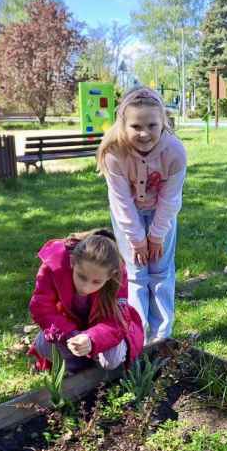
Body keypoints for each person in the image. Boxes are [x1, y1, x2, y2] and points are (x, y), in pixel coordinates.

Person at [96, 87, 187, 343]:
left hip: (162, 212)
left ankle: (161, 336)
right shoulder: (114, 152)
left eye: (151, 125)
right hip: (129, 214)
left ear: (163, 123)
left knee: (160, 271)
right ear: (123, 125)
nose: (144, 133)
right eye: (136, 126)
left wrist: (156, 236)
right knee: (136, 273)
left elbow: (170, 199)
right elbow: (121, 201)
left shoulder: (175, 152)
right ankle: (137, 336)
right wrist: (137, 240)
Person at [28, 229, 144, 373]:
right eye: (81, 277)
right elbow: (41, 308)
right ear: (72, 262)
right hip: (69, 327)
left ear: (110, 276)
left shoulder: (118, 275)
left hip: (100, 330)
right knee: (43, 344)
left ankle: (93, 366)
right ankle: (80, 370)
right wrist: (70, 334)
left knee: (112, 358)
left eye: (96, 282)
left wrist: (92, 338)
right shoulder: (54, 265)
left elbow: (116, 321)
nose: (86, 287)